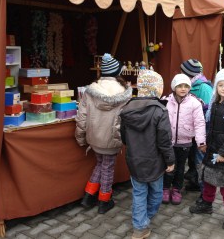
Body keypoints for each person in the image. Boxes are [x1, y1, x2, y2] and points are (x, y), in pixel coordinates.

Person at [119, 70, 175, 239]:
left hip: (134, 159)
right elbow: (165, 140)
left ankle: (140, 226)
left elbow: (124, 137)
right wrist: (170, 161)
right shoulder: (160, 111)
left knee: (139, 193)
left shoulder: (126, 109)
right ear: (157, 88)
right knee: (156, 193)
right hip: (155, 161)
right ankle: (144, 220)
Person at [75, 53, 133, 214]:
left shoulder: (90, 91)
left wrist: (80, 138)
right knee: (107, 167)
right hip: (112, 138)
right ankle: (104, 200)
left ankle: (88, 196)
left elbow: (81, 117)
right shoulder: (125, 93)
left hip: (94, 137)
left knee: (101, 164)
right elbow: (127, 119)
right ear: (117, 72)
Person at [189, 69, 224, 231]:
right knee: (209, 181)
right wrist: (205, 143)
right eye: (221, 85)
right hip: (212, 150)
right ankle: (206, 204)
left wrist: (223, 153)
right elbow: (210, 128)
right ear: (216, 86)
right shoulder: (214, 103)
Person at [162, 74, 206, 205]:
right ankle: (165, 188)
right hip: (168, 142)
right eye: (179, 86)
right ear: (174, 87)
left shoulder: (195, 103)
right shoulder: (165, 101)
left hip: (185, 142)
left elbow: (199, 123)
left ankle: (176, 189)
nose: (183, 89)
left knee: (180, 167)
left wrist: (201, 142)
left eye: (186, 86)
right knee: (168, 166)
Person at [180, 59, 213, 192]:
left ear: (189, 74)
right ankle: (195, 181)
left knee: (200, 159)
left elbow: (207, 113)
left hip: (201, 131)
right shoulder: (187, 85)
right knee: (193, 157)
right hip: (190, 130)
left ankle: (204, 191)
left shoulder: (204, 88)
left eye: (183, 71)